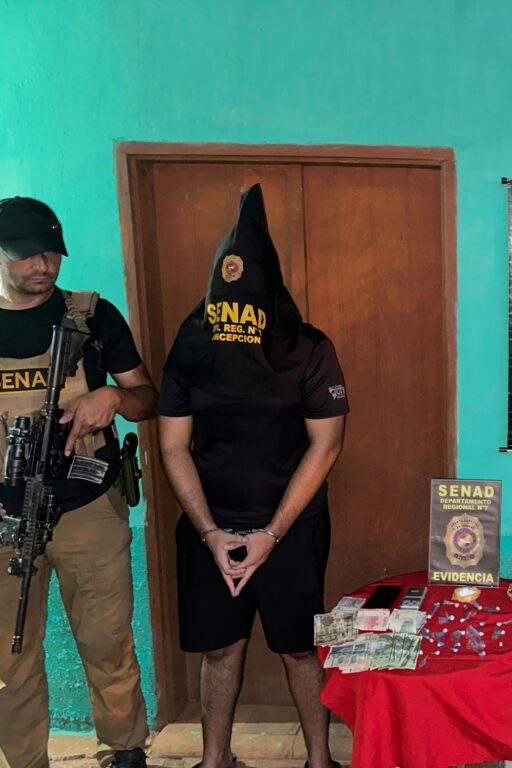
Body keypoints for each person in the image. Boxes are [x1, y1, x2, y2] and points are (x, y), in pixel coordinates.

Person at [159, 185, 348, 768]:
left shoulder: (309, 349)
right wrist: (211, 533)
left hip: (290, 528)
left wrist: (271, 534)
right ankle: (214, 760)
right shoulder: (191, 345)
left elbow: (326, 444)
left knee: (299, 650)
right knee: (220, 649)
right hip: (210, 525)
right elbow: (172, 445)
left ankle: (320, 760)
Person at [0, 197, 157, 768]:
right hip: (4, 517)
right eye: (25, 255)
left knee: (108, 641)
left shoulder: (92, 318)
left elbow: (147, 399)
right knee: (9, 657)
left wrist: (112, 397)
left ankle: (125, 751)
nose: (42, 265)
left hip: (88, 507)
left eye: (51, 253)